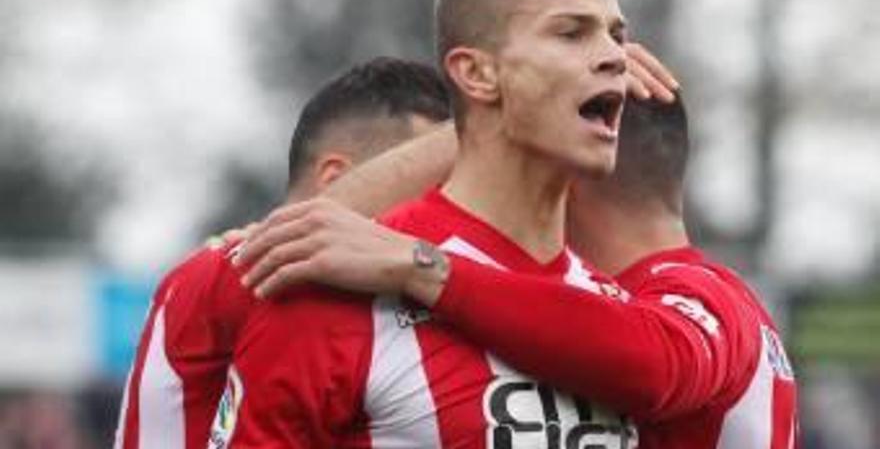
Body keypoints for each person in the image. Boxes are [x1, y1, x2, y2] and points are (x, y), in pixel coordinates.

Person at [219, 0, 661, 447]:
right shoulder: (335, 285)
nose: (615, 58)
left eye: (616, 35)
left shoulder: (623, 314)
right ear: (476, 73)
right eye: (571, 33)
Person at [237, 92, 801, 448]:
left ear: (572, 182)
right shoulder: (685, 296)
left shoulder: (703, 299)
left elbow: (652, 365)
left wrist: (420, 265)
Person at [113, 57, 452, 449]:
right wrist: (492, 125)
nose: (436, 207)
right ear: (336, 180)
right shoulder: (224, 274)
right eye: (425, 183)